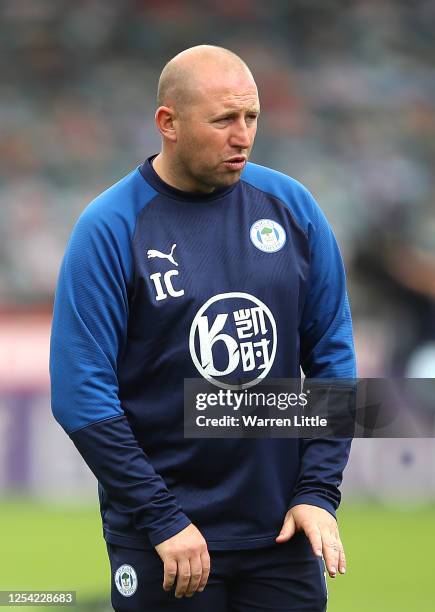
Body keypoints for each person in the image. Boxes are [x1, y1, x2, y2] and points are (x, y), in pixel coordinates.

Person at [50, 45, 356, 611]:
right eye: (223, 120)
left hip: (284, 533)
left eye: (252, 117)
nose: (243, 135)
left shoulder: (292, 208)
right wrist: (163, 519)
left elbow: (333, 359)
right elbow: (81, 397)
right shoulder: (110, 227)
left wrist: (318, 492)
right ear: (168, 123)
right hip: (167, 540)